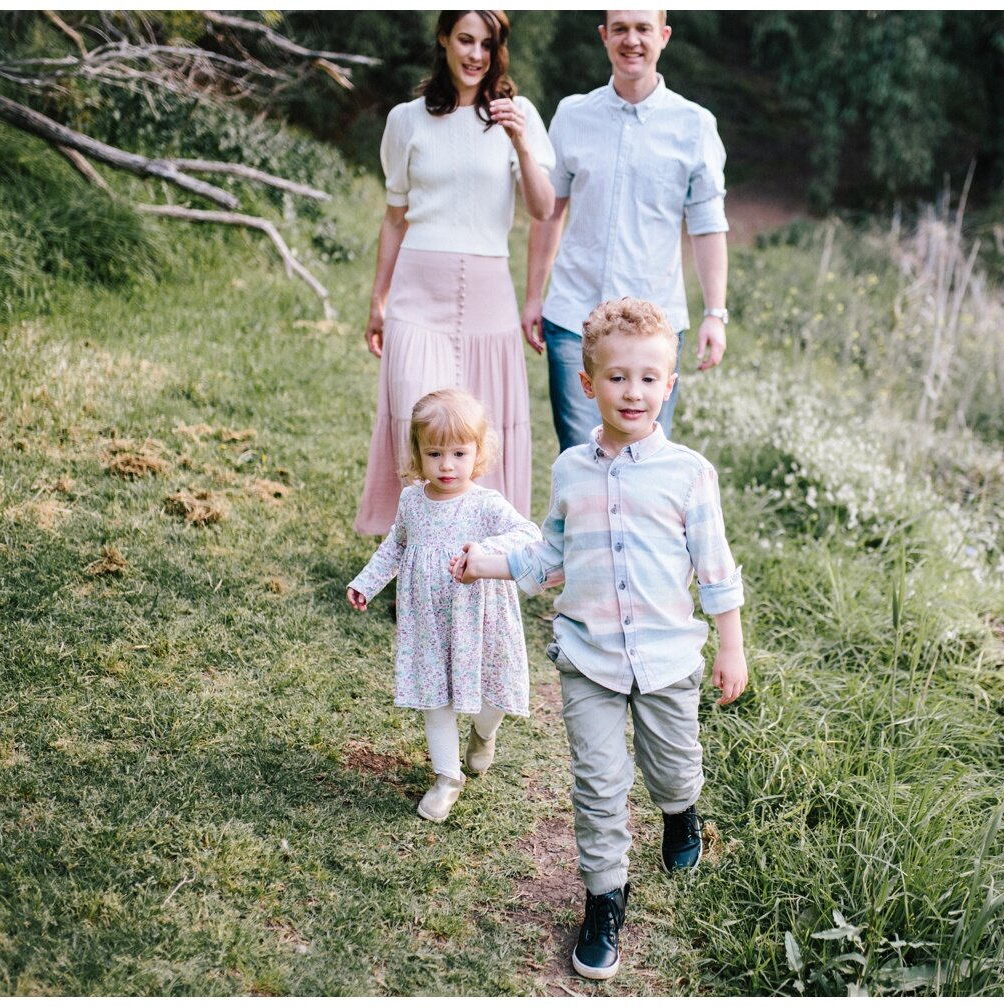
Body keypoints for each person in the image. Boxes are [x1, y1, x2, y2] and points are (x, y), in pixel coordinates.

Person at [452, 298, 747, 980]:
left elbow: (716, 567)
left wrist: (730, 645)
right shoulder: (570, 473)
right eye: (617, 377)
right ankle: (604, 895)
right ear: (588, 384)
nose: (633, 391)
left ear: (669, 385)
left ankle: (681, 813)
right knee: (598, 781)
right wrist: (485, 561)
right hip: (589, 658)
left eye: (649, 378)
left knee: (671, 765)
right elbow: (548, 555)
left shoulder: (689, 475)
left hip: (670, 659)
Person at [355, 10, 555, 536]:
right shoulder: (407, 119)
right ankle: (416, 555)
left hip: (488, 293)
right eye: (465, 40)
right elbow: (395, 217)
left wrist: (520, 144)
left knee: (478, 429)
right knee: (419, 418)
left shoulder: (520, 115)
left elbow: (542, 208)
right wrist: (378, 299)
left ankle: (481, 554)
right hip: (417, 292)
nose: (475, 55)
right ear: (443, 39)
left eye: (486, 45)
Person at [521, 9, 731, 453]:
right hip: (574, 314)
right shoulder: (572, 115)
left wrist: (716, 312)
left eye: (642, 29)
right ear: (604, 36)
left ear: (664, 36)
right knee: (581, 455)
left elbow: (708, 226)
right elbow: (549, 212)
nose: (631, 40)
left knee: (643, 458)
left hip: (655, 325)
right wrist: (534, 295)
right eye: (620, 29)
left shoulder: (695, 125)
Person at [348, 388, 541, 822]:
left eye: (459, 453)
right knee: (436, 700)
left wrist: (486, 549)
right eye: (434, 453)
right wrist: (367, 582)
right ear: (417, 452)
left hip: (480, 620)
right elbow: (395, 547)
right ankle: (446, 777)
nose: (447, 465)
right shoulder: (413, 500)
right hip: (428, 624)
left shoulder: (484, 504)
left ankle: (483, 731)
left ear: (478, 451)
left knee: (494, 697)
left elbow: (529, 535)